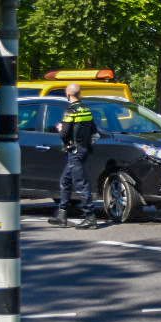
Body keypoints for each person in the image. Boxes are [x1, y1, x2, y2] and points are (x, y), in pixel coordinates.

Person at [51, 84, 99, 229]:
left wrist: (60, 128)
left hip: (75, 151)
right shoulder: (86, 109)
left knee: (80, 183)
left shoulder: (70, 111)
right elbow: (94, 130)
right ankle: (62, 215)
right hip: (83, 149)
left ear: (68, 94)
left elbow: (64, 134)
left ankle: (90, 217)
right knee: (65, 180)